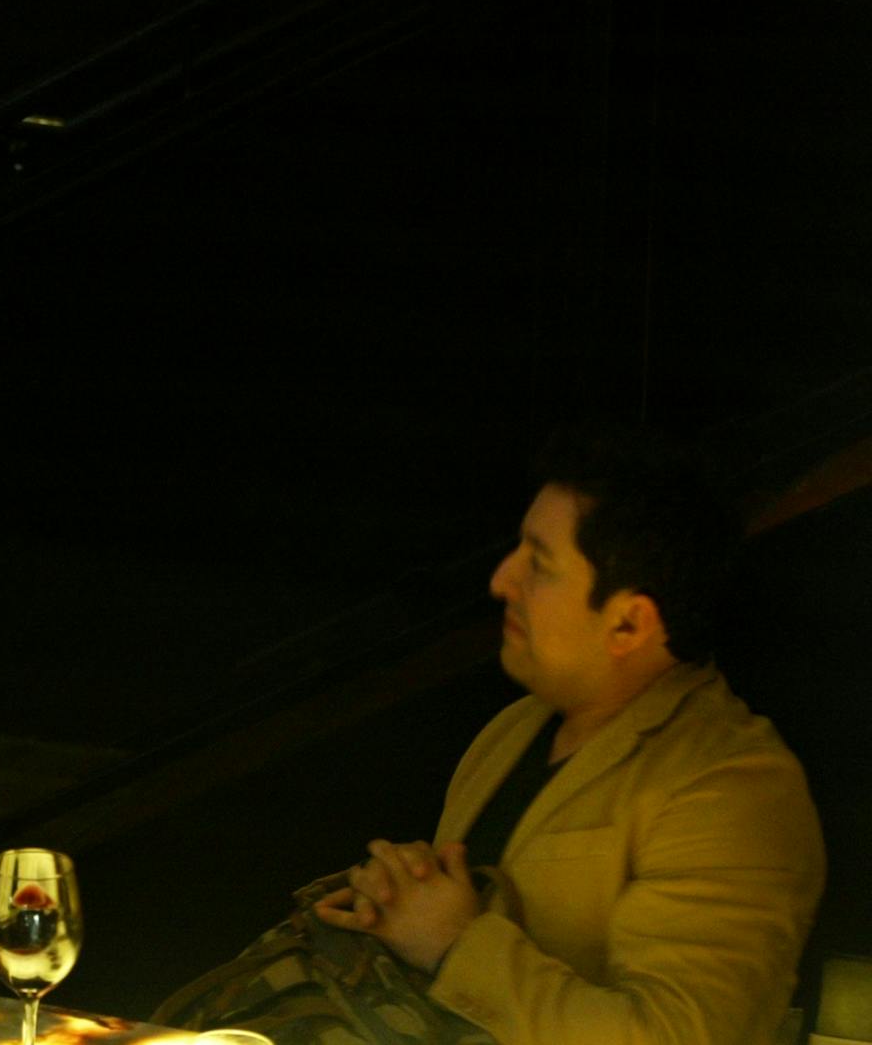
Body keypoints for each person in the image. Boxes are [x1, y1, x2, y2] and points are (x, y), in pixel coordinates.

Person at [159, 426, 824, 1045]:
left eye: (539, 564)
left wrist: (455, 943)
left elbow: (679, 1036)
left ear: (629, 623)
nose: (501, 579)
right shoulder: (515, 727)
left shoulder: (734, 787)